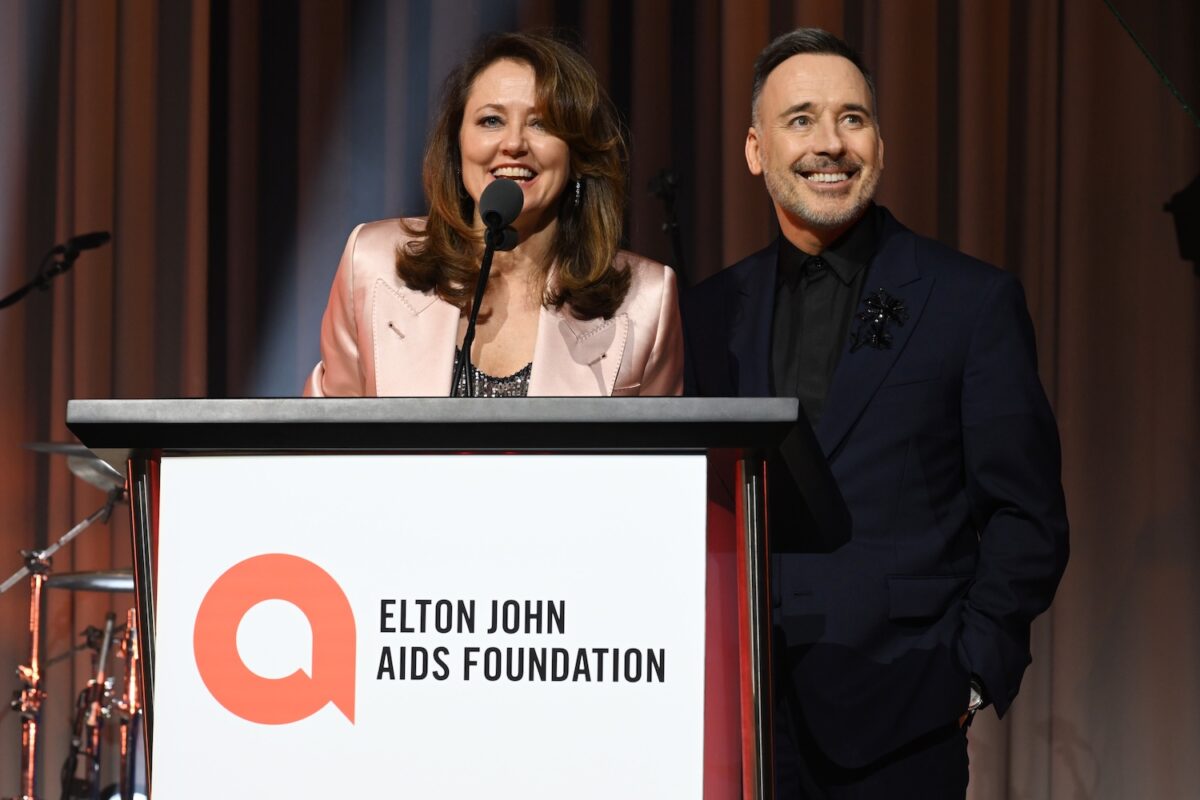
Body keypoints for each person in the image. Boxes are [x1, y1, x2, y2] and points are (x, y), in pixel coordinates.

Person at [681, 29, 1069, 797]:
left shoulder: (970, 302)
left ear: (882, 147)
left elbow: (1029, 518)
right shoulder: (706, 311)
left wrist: (969, 677)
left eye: (852, 118)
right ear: (756, 151)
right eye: (801, 120)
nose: (831, 143)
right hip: (735, 722)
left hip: (902, 727)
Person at [306, 32, 682, 398]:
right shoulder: (372, 264)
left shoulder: (646, 299)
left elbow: (665, 459)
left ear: (577, 156)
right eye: (491, 121)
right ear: (458, 144)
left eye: (542, 123)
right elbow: (320, 447)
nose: (514, 143)